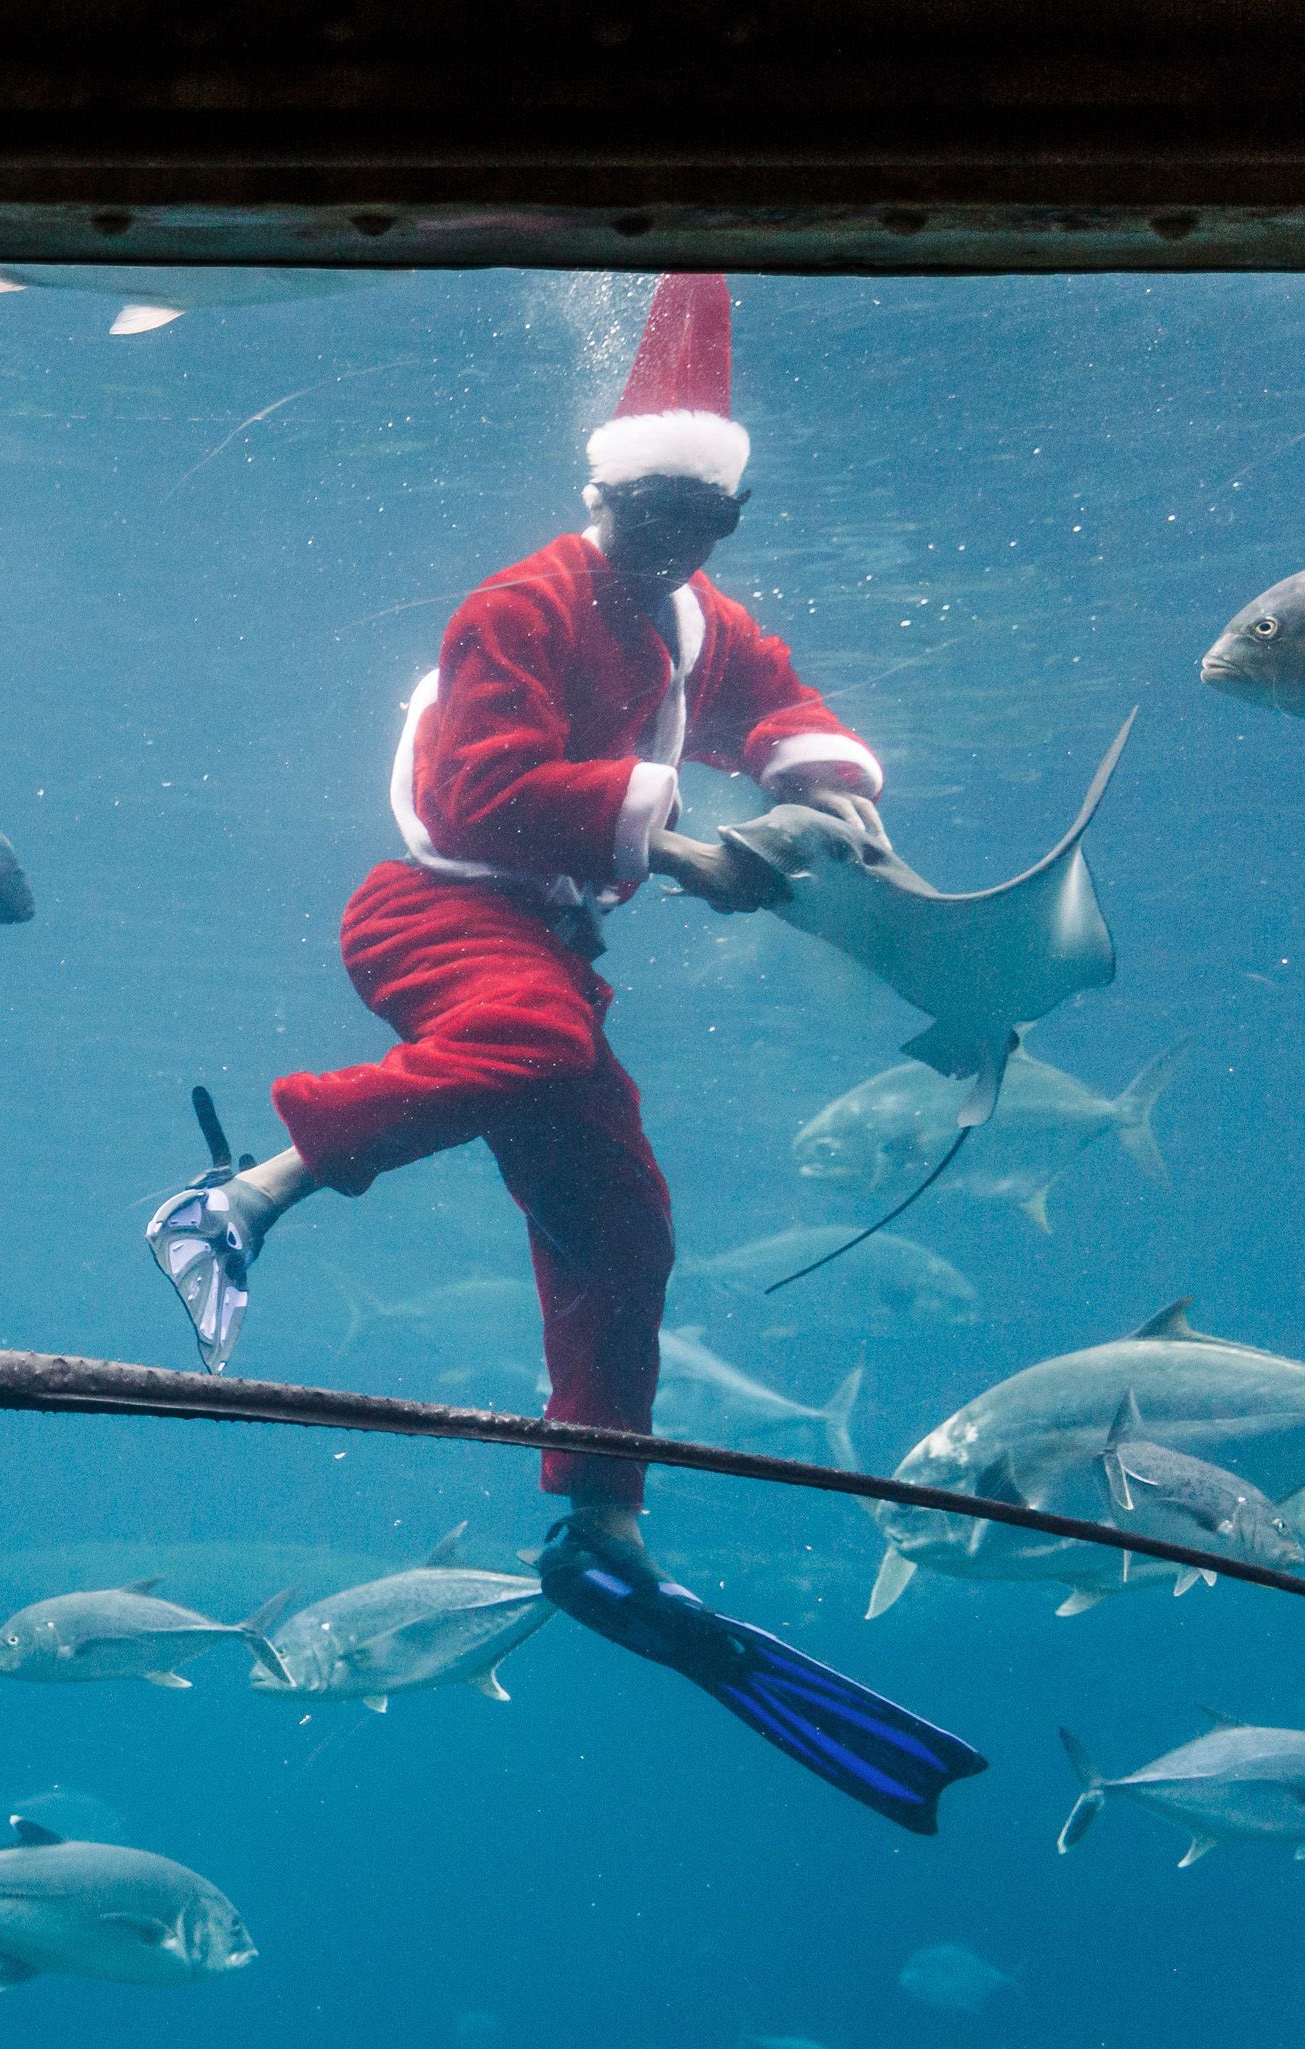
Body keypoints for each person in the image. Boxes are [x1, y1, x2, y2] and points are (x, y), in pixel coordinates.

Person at [145, 274, 984, 1831]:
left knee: (625, 1225)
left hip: (545, 946)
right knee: (529, 1038)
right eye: (652, 512)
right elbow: (476, 792)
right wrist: (685, 855)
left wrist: (824, 781)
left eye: (704, 522)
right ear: (601, 491)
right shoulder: (518, 607)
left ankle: (597, 1521)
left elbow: (770, 699)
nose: (675, 544)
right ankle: (240, 1199)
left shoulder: (689, 614)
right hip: (429, 912)